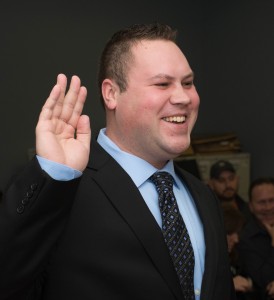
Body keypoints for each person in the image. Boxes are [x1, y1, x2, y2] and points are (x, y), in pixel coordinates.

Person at [0, 23, 236, 300]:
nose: (183, 97)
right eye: (162, 83)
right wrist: (53, 175)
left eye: (187, 83)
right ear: (111, 93)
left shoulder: (203, 196)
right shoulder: (65, 189)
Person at [238, 177, 274, 299]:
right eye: (262, 202)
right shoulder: (245, 239)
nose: (268, 207)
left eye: (272, 200)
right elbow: (263, 280)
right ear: (251, 207)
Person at [221, 202, 258, 299]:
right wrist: (228, 285)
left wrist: (250, 285)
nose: (236, 239)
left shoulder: (236, 255)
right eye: (229, 233)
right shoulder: (205, 262)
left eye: (237, 233)